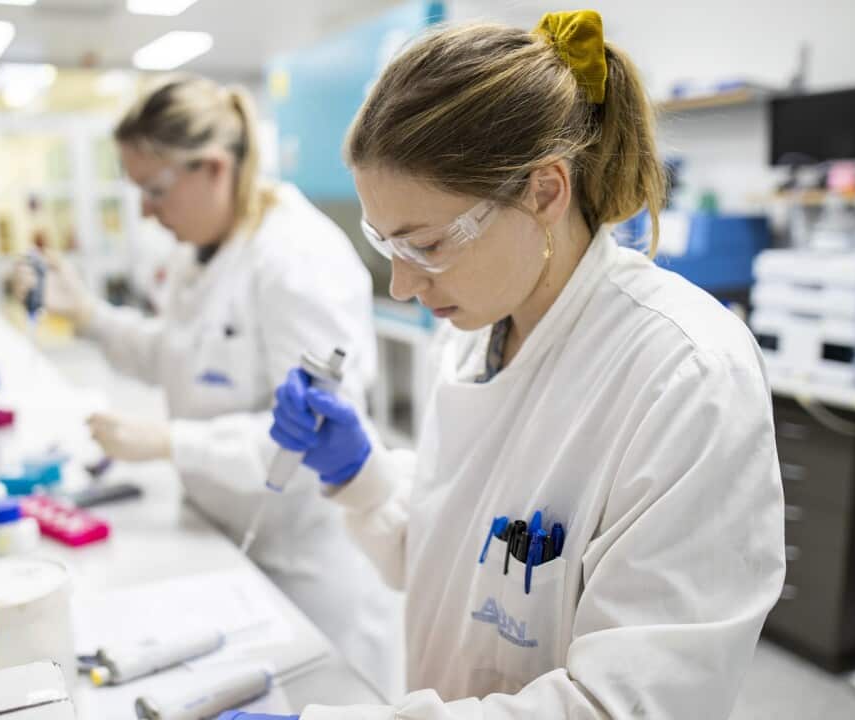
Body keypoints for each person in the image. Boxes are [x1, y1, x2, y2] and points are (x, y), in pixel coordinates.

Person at [235, 10, 785, 720]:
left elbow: (624, 705)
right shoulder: (475, 333)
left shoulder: (685, 374)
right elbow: (459, 572)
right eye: (386, 244)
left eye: (427, 244)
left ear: (545, 191)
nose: (401, 284)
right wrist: (361, 476)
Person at [18, 74, 403, 696]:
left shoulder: (295, 257)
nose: (146, 210)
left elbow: (315, 431)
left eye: (156, 190)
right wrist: (87, 316)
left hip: (306, 572)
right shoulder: (197, 251)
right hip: (225, 545)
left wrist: (171, 442)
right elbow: (176, 355)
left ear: (215, 168)